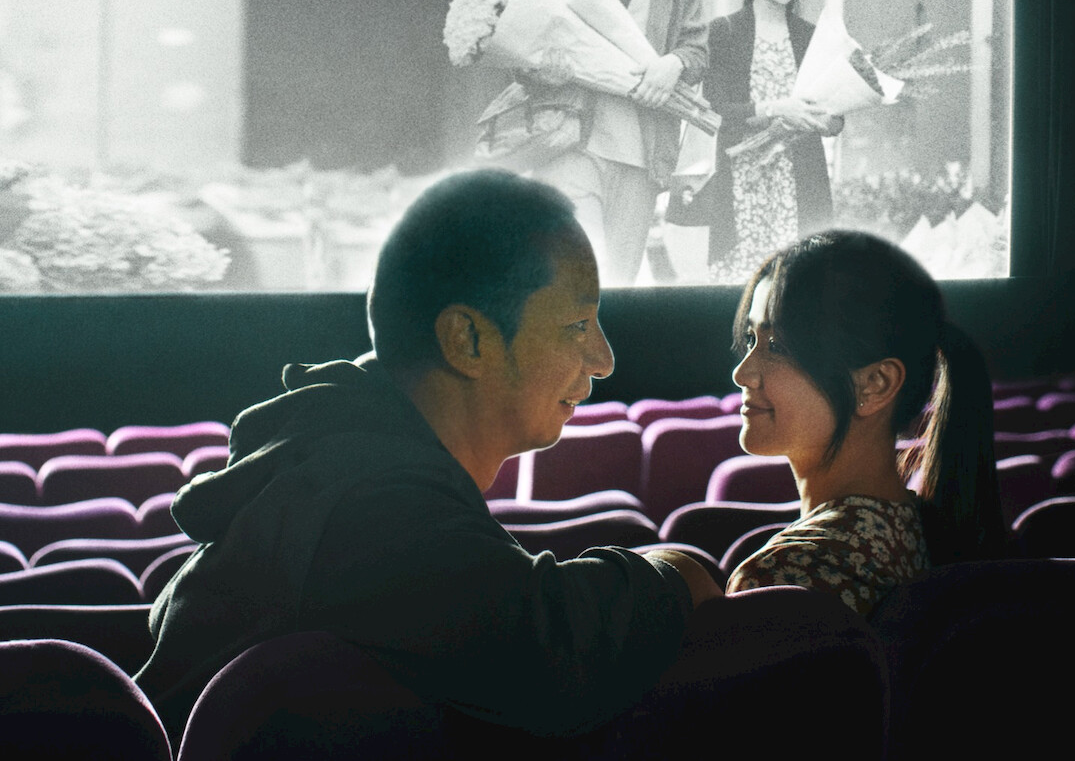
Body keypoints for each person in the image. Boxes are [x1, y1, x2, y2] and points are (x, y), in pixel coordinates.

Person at [133, 169, 721, 740]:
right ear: (467, 340)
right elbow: (548, 656)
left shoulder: (342, 459)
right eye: (578, 324)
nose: (604, 359)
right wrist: (680, 571)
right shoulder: (372, 509)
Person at [721, 230, 1002, 616]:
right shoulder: (921, 530)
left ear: (875, 384)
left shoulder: (788, 575)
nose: (742, 373)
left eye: (777, 346)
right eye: (751, 339)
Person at [516, 0, 709, 286]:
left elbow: (697, 50)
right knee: (574, 280)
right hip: (568, 146)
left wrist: (673, 64)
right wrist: (543, 68)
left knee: (617, 289)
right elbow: (519, 43)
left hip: (641, 158)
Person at [673, 0, 843, 283]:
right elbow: (716, 111)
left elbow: (836, 117)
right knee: (744, 287)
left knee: (800, 286)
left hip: (800, 178)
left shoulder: (812, 36)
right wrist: (775, 109)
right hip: (744, 181)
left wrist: (827, 121)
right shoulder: (725, 31)